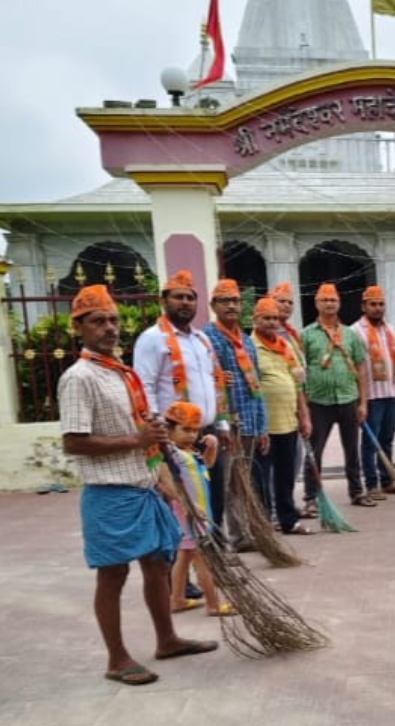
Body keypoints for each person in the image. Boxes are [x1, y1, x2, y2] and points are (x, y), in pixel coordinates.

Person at [59, 285, 217, 687]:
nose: (109, 328)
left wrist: (155, 440)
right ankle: (117, 659)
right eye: (98, 321)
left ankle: (167, 640)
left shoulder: (121, 371)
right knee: (112, 576)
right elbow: (73, 441)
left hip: (144, 485)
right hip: (110, 491)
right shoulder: (79, 378)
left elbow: (141, 430)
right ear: (79, 328)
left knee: (156, 565)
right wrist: (138, 439)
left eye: (112, 320)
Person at [133, 269, 228, 587]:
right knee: (179, 507)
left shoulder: (201, 339)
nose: (185, 302)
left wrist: (222, 422)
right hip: (172, 436)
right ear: (164, 301)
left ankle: (209, 569)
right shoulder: (152, 339)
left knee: (208, 501)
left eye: (190, 297)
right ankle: (179, 579)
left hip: (204, 429)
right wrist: (157, 430)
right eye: (178, 297)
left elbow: (214, 382)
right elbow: (143, 385)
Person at [204, 279, 270, 547]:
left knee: (243, 481)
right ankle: (221, 537)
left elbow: (257, 384)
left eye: (235, 301)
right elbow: (202, 379)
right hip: (226, 424)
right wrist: (217, 378)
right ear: (213, 306)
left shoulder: (245, 340)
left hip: (250, 419)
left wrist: (262, 425)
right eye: (224, 301)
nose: (231, 306)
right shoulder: (208, 338)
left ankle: (243, 533)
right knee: (224, 482)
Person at [161, 401, 237, 616]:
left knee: (185, 555)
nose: (191, 435)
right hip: (189, 513)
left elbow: (207, 466)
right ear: (169, 429)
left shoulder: (187, 451)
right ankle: (213, 605)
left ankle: (176, 600)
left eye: (195, 430)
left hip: (200, 510)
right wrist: (188, 505)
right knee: (203, 558)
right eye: (185, 430)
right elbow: (166, 484)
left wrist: (211, 447)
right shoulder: (169, 453)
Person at [301, 283, 371, 507]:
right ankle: (311, 497)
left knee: (352, 450)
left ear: (339, 304)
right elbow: (300, 371)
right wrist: (302, 406)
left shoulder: (350, 334)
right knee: (315, 451)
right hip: (318, 402)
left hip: (348, 399)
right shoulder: (306, 335)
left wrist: (363, 403)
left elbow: (361, 368)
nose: (329, 304)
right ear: (317, 303)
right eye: (325, 300)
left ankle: (357, 492)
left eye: (333, 300)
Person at [253, 296, 314, 534]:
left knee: (286, 475)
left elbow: (298, 384)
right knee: (261, 478)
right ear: (255, 320)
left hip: (288, 421)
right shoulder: (251, 347)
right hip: (266, 425)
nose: (271, 322)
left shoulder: (286, 346)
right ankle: (265, 524)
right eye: (266, 318)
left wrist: (304, 415)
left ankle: (288, 520)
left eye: (275, 318)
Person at [352, 285, 395, 498]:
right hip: (370, 397)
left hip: (389, 393)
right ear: (364, 306)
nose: (377, 308)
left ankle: (387, 481)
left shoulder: (390, 330)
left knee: (387, 439)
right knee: (370, 442)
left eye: (381, 304)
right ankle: (372, 484)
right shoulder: (355, 332)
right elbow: (354, 367)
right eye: (373, 304)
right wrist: (360, 400)